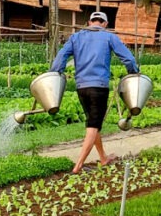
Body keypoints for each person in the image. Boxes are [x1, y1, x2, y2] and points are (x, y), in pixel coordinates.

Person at [51, 10, 140, 173]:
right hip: (99, 87)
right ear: (105, 24)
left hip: (81, 87)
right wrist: (133, 72)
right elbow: (128, 58)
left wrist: (55, 74)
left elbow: (61, 57)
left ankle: (103, 157)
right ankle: (78, 165)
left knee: (93, 122)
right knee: (93, 125)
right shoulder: (109, 36)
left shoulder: (76, 37)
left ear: (90, 22)